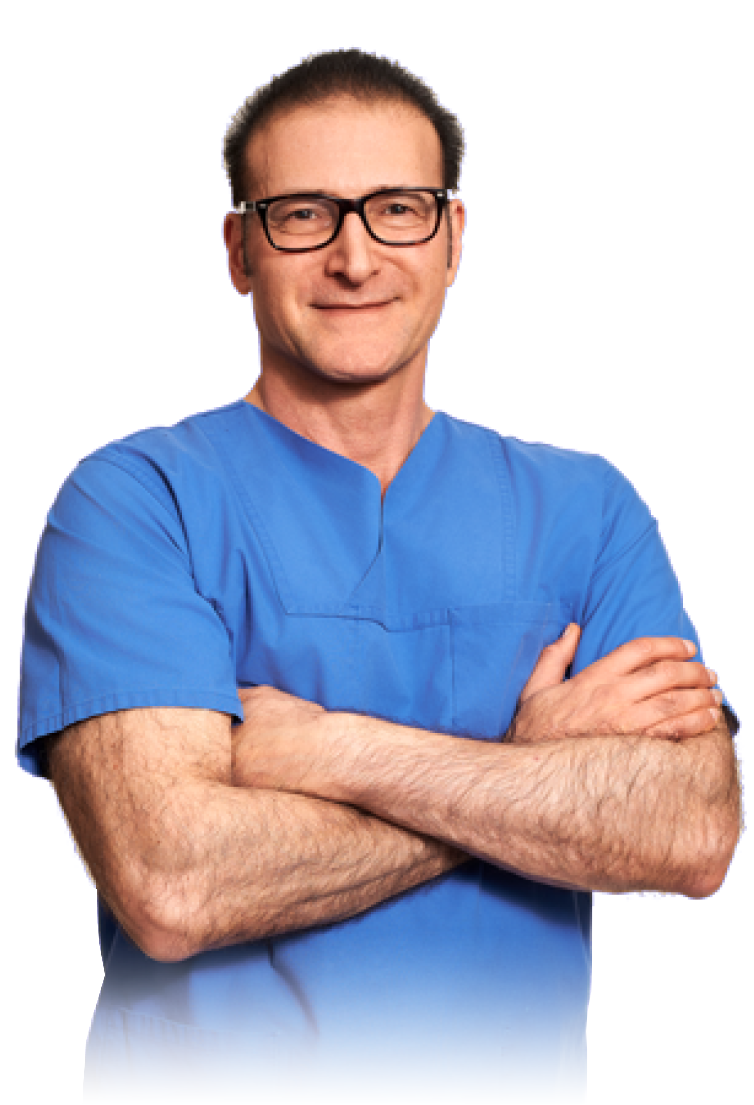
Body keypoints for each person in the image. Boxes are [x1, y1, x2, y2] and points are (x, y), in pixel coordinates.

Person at [16, 49, 741, 1105]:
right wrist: (526, 768)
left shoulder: (586, 509)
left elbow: (689, 830)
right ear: (239, 250)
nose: (354, 258)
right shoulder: (136, 502)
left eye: (398, 209)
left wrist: (331, 752)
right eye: (303, 215)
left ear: (452, 238)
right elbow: (172, 880)